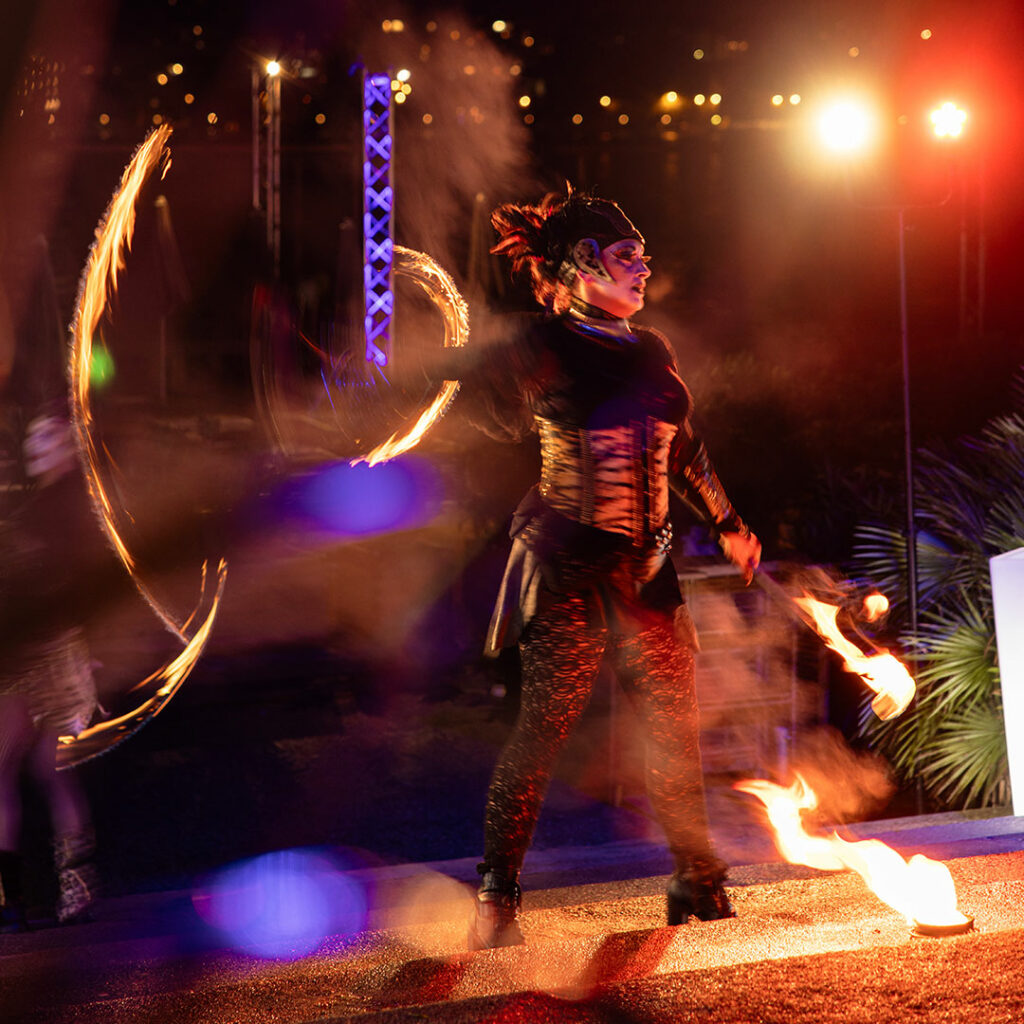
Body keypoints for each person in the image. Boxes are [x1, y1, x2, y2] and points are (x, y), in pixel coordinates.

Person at [464, 188, 761, 950]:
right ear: (582, 265)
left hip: (648, 570)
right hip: (570, 566)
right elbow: (481, 406)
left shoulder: (652, 350)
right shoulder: (542, 344)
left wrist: (728, 522)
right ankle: (497, 896)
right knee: (543, 731)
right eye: (628, 256)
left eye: (642, 255)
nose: (643, 267)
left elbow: (683, 448)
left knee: (674, 733)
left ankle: (696, 878)